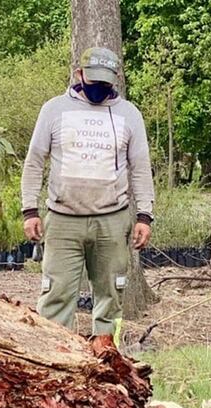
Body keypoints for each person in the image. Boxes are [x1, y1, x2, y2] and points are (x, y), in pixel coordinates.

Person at [20, 46, 155, 343]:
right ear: (79, 74)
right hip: (63, 219)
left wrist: (145, 215)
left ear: (115, 80)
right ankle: (54, 357)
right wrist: (29, 210)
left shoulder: (129, 115)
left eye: (105, 84)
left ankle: (108, 357)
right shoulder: (54, 109)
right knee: (56, 294)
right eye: (93, 82)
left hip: (112, 220)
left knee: (111, 294)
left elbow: (141, 168)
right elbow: (34, 160)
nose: (98, 89)